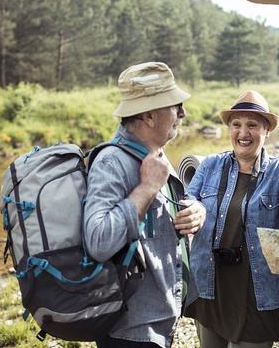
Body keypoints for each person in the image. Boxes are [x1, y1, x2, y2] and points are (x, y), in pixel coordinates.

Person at [184, 90, 279, 348]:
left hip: (257, 292)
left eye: (252, 125)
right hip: (210, 286)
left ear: (267, 131)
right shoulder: (210, 166)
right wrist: (191, 212)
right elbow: (188, 202)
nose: (243, 133)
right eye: (236, 125)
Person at [84, 61, 207, 348]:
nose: (183, 113)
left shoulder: (155, 155)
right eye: (175, 105)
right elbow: (98, 240)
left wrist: (196, 211)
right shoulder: (111, 162)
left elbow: (164, 209)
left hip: (156, 326)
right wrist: (147, 187)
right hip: (129, 333)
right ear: (150, 115)